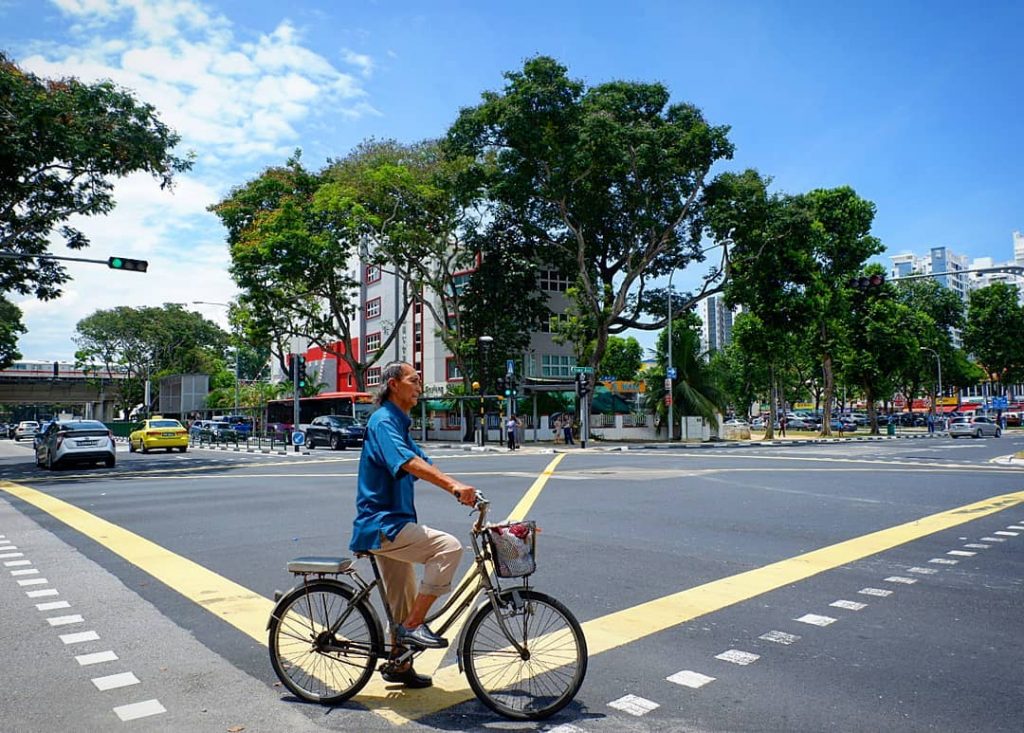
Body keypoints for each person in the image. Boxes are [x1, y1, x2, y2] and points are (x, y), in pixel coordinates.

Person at [350, 361, 477, 689]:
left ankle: (399, 664)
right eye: (414, 380)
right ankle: (413, 626)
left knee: (402, 602)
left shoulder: (399, 423)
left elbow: (424, 462)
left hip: (392, 523)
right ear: (393, 384)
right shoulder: (383, 421)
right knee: (448, 548)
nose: (419, 386)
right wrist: (453, 487)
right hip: (383, 525)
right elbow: (408, 462)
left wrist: (464, 490)